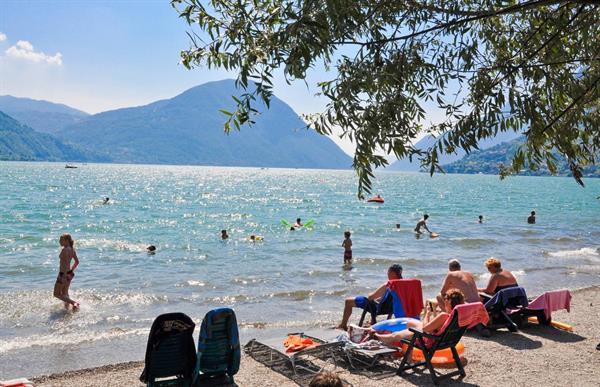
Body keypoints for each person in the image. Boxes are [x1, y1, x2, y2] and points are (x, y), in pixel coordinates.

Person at [374, 288, 465, 344]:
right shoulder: (458, 315)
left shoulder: (444, 316)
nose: (444, 301)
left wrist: (428, 314)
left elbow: (425, 329)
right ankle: (385, 337)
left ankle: (379, 337)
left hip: (429, 341)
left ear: (449, 302)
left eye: (445, 299)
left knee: (400, 334)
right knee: (410, 324)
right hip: (444, 341)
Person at [336, 264, 403, 331]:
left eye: (388, 272)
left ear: (392, 273)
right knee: (377, 301)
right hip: (389, 309)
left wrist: (370, 294)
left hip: (379, 309)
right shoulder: (403, 285)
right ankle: (373, 321)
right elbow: (392, 300)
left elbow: (370, 297)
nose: (387, 273)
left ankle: (343, 325)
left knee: (348, 301)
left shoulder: (388, 284)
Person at [53, 233, 80, 308]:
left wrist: (64, 275)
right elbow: (77, 262)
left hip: (63, 274)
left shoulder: (64, 250)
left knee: (56, 294)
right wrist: (71, 270)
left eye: (61, 240)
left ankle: (74, 303)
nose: (59, 241)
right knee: (65, 293)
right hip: (69, 274)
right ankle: (66, 309)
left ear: (67, 240)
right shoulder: (72, 249)